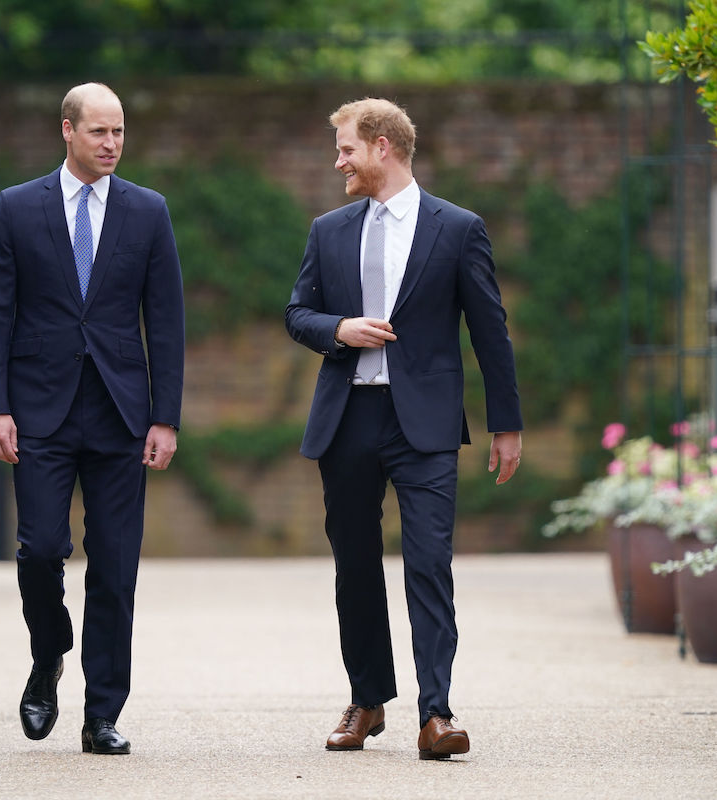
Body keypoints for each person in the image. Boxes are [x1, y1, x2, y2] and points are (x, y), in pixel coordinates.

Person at [284, 98, 523, 761]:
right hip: (349, 417)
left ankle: (436, 714)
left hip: (426, 422)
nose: (339, 161)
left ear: (382, 147)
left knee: (429, 563)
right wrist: (339, 329)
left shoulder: (458, 228)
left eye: (346, 149)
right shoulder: (328, 230)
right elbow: (296, 312)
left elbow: (490, 330)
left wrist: (506, 424)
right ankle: (367, 701)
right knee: (356, 565)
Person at [0, 82, 185, 756]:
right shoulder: (16, 209)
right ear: (66, 130)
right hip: (39, 409)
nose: (113, 143)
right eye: (99, 131)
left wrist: (165, 417)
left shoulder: (149, 212)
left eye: (120, 131)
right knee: (39, 551)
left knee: (116, 568)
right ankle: (49, 651)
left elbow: (168, 324)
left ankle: (102, 715)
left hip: (122, 413)